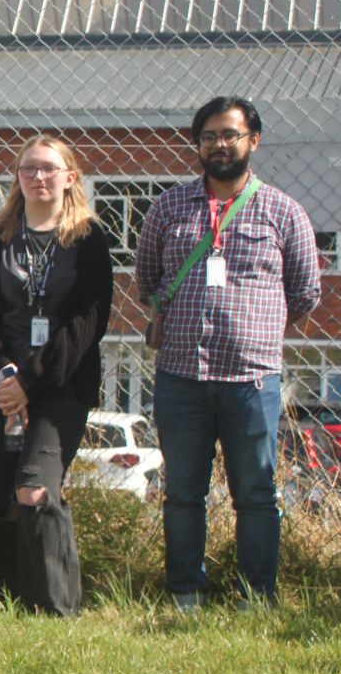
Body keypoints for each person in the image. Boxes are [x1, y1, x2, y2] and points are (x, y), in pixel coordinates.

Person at [135, 96, 321, 611]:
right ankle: (185, 592)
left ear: (253, 141)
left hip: (252, 380)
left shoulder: (284, 211)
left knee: (257, 495)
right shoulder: (168, 207)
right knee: (183, 494)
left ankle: (256, 595)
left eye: (231, 135)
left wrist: (255, 330)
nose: (220, 144)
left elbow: (305, 292)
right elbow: (146, 280)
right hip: (181, 375)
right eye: (210, 135)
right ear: (198, 144)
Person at [0, 136, 113, 616]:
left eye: (49, 168)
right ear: (17, 178)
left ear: (70, 177)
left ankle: (55, 606)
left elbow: (87, 325)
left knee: (35, 487)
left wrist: (31, 379)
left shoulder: (88, 241)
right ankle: (7, 598)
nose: (38, 177)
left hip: (60, 386)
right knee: (3, 496)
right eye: (29, 169)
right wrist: (6, 374)